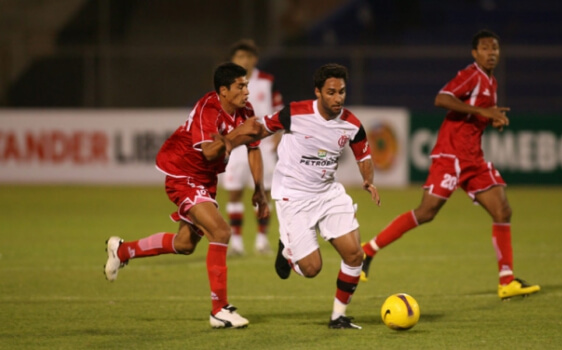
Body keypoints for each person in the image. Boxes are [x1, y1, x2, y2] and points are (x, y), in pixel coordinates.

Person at [360, 29, 541, 300]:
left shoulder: (491, 83)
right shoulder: (471, 75)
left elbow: (475, 115)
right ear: (474, 53)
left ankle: (507, 281)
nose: (491, 53)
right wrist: (483, 111)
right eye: (485, 48)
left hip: (473, 159)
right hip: (451, 157)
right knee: (427, 211)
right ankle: (368, 249)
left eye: (495, 48)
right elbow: (442, 98)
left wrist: (490, 119)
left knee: (502, 210)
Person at [103, 62, 269, 329]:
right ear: (224, 90)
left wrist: (260, 189)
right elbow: (209, 152)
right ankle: (219, 310)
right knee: (221, 232)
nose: (247, 91)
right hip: (183, 174)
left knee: (185, 244)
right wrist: (237, 134)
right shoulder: (209, 109)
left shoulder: (244, 110)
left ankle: (122, 250)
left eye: (247, 85)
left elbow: (253, 147)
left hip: (205, 179)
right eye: (241, 86)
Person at [248, 63, 381, 329]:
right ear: (318, 92)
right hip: (294, 196)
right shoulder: (295, 113)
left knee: (355, 255)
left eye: (342, 92)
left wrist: (368, 180)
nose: (338, 98)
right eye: (331, 92)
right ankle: (287, 252)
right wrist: (229, 141)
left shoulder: (352, 124)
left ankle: (338, 317)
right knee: (311, 269)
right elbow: (260, 128)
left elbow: (363, 154)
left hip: (328, 193)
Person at [222, 39, 284, 256]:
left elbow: (278, 108)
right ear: (233, 60)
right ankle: (237, 243)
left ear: (255, 59)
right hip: (236, 147)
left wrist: (279, 134)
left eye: (248, 56)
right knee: (234, 193)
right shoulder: (225, 83)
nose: (244, 60)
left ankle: (261, 241)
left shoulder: (267, 81)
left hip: (263, 146)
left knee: (264, 194)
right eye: (240, 57)